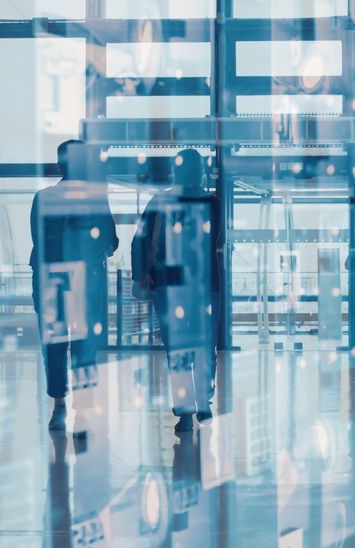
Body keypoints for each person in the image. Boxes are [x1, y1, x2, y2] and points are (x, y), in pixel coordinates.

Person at [30, 140, 119, 432]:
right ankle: (82, 409)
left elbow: (39, 241)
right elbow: (111, 241)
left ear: (60, 166)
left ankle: (59, 407)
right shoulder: (95, 198)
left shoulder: (43, 197)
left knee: (55, 345)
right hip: (86, 280)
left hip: (51, 280)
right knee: (85, 348)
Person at [132, 149, 221, 433]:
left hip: (175, 285)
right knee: (203, 347)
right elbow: (215, 237)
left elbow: (140, 241)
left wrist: (141, 275)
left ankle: (189, 409)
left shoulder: (162, 201)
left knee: (182, 349)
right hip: (199, 284)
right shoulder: (210, 202)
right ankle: (198, 403)